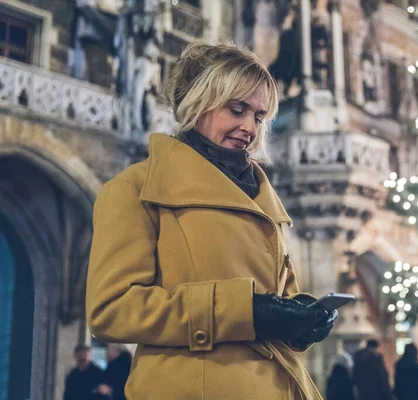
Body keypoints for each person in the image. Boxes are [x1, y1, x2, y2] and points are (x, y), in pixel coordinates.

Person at [86, 41, 338, 399]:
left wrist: (300, 317)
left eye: (259, 116)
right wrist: (245, 311)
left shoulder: (262, 193)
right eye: (237, 110)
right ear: (198, 103)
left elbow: (278, 295)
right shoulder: (136, 189)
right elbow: (112, 310)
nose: (249, 127)